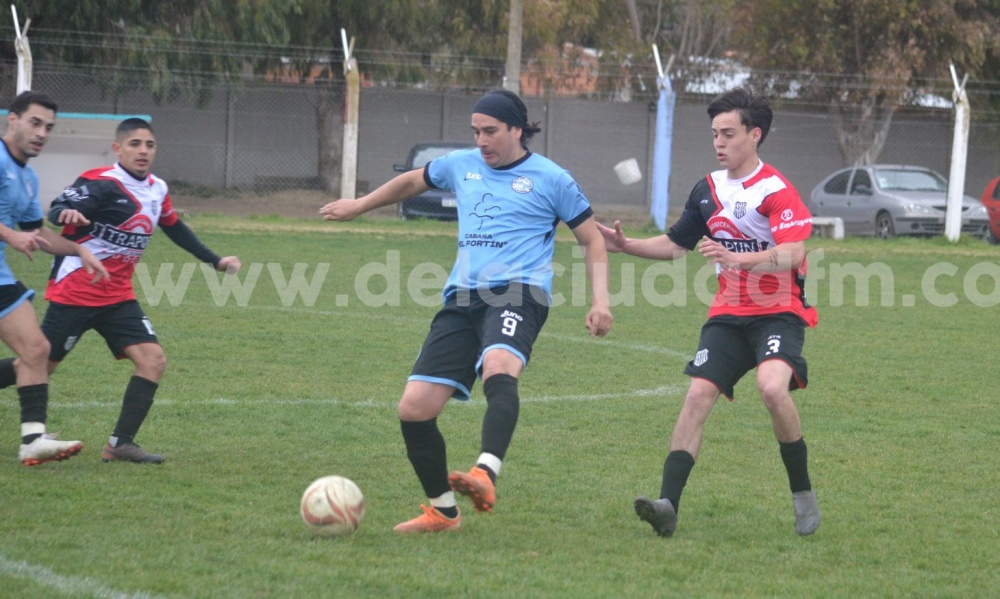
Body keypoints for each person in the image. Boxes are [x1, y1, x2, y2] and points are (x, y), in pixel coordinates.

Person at [320, 89, 614, 533]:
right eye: (476, 131)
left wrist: (601, 301)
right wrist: (359, 206)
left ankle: (485, 473)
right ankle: (442, 511)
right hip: (461, 298)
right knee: (414, 408)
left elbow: (592, 240)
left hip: (519, 291)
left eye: (491, 131)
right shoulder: (462, 165)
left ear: (517, 129)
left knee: (499, 365)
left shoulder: (552, 178)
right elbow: (413, 181)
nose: (482, 140)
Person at [598, 87, 821, 537]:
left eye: (729, 133)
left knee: (772, 389)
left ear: (754, 135)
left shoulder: (775, 190)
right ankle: (667, 504)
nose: (719, 143)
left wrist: (742, 259)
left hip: (780, 310)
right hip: (729, 312)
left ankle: (802, 493)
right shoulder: (708, 189)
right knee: (698, 394)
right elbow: (676, 245)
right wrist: (627, 246)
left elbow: (795, 253)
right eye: (715, 134)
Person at [0, 117, 241, 464]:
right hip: (76, 292)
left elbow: (175, 229)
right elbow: (56, 210)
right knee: (38, 364)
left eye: (149, 145)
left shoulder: (158, 188)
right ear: (118, 148)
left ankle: (120, 444)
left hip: (118, 296)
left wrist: (215, 261)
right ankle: (37, 435)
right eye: (134, 144)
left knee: (153, 360)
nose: (143, 151)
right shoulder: (101, 182)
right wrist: (66, 213)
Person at [0, 91, 109, 466]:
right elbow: (18, 233)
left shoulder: (28, 178)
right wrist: (9, 234)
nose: (42, 132)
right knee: (35, 351)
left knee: (36, 350)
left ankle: (33, 440)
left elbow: (41, 235)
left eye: (48, 127)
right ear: (11, 120)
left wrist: (80, 250)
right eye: (34, 122)